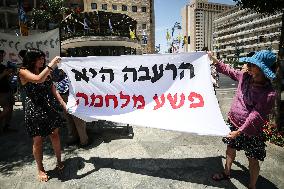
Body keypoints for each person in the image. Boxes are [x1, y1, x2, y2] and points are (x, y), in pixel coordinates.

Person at [208, 50, 277, 189]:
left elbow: (256, 115)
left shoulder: (269, 93)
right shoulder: (244, 77)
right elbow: (229, 70)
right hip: (234, 123)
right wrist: (213, 59)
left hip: (251, 131)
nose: (248, 66)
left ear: (263, 69)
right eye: (249, 63)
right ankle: (226, 172)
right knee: (230, 148)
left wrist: (239, 132)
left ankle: (252, 186)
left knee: (252, 158)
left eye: (252, 65)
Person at [18, 49, 65, 182]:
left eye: (43, 58)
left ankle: (59, 161)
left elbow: (52, 88)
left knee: (55, 135)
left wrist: (62, 103)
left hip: (49, 108)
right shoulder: (23, 71)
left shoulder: (45, 70)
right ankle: (40, 168)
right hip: (34, 110)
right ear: (31, 60)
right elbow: (38, 80)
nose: (42, 61)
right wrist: (51, 64)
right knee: (38, 141)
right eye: (39, 59)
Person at [55, 70, 90, 147]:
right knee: (75, 118)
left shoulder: (61, 66)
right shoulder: (65, 66)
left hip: (66, 93)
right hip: (68, 94)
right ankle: (83, 140)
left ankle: (76, 138)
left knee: (72, 118)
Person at [0, 50, 16, 133]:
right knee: (6, 109)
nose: (2, 57)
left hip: (7, 90)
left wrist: (10, 74)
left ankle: (6, 127)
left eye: (2, 55)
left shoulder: (3, 66)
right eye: (1, 56)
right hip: (1, 92)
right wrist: (4, 73)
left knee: (10, 109)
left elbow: (7, 79)